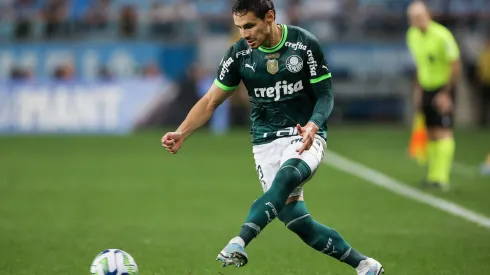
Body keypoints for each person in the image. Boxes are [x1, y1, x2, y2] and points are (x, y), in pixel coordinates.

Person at [161, 1, 384, 274]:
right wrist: (182, 132)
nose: (244, 34)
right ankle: (365, 265)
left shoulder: (304, 45)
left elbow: (325, 95)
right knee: (297, 222)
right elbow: (210, 101)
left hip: (303, 134)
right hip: (264, 140)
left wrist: (314, 125)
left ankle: (239, 241)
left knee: (287, 175)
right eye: (239, 27)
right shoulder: (238, 55)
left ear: (270, 17)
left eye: (250, 26)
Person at [406, 1, 461, 191]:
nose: (416, 21)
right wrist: (419, 91)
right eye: (413, 18)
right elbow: (420, 65)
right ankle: (432, 176)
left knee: (443, 131)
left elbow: (454, 64)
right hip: (426, 88)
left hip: (443, 88)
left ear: (428, 15)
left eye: (419, 17)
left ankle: (441, 178)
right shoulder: (412, 35)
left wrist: (446, 93)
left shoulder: (442, 35)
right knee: (430, 132)